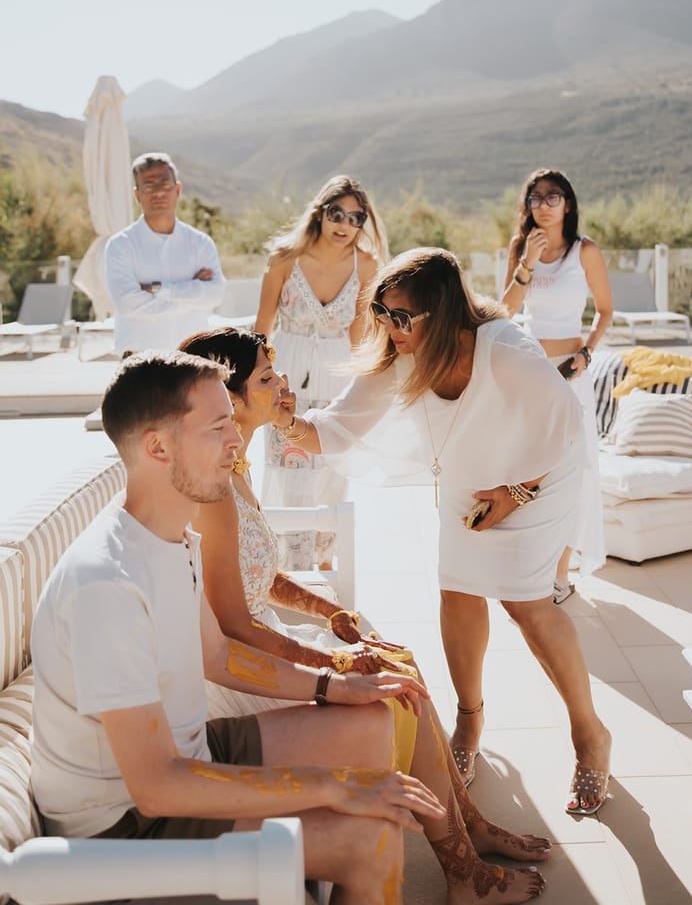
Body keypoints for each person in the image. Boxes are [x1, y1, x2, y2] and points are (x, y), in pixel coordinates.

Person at [30, 350, 445, 904]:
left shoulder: (175, 536)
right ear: (157, 446)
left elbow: (219, 655)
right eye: (218, 426)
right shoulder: (107, 584)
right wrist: (333, 786)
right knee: (367, 837)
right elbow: (155, 788)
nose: (236, 440)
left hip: (190, 755)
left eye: (233, 420)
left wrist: (335, 684)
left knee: (371, 720)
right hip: (123, 824)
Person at [179, 326, 552, 902]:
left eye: (276, 372)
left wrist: (331, 613)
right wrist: (330, 663)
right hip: (236, 668)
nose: (283, 383)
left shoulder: (238, 469)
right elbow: (232, 622)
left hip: (260, 639)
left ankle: (468, 827)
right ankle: (463, 868)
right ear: (227, 399)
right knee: (396, 685)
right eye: (266, 378)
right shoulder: (213, 489)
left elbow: (257, 573)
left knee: (398, 660)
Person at [268, 248, 612, 816]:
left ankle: (588, 734)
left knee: (527, 606)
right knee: (457, 593)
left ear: (444, 310)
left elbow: (566, 428)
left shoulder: (508, 351)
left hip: (539, 477)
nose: (389, 327)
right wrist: (280, 418)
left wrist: (516, 493)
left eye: (402, 316)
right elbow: (336, 427)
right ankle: (469, 721)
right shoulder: (402, 353)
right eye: (382, 312)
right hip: (467, 482)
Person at [255, 175, 388, 570]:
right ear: (320, 212)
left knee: (332, 472)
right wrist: (255, 384)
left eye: (356, 217)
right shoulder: (283, 259)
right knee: (288, 471)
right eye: (337, 214)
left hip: (337, 377)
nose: (345, 225)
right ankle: (284, 566)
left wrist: (367, 391)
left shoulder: (366, 265)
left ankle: (325, 561)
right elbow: (261, 330)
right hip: (287, 374)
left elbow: (361, 334)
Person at [502, 169, 613, 599]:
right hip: (529, 370)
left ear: (568, 203)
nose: (544, 205)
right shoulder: (521, 248)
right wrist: (527, 262)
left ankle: (561, 574)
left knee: (571, 468)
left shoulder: (585, 251)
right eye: (535, 198)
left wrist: (588, 352)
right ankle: (532, 564)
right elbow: (506, 311)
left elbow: (606, 310)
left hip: (570, 373)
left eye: (553, 197)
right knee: (529, 468)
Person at [105, 152, 225, 354]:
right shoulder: (120, 245)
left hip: (194, 359)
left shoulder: (200, 243)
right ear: (137, 195)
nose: (158, 192)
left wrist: (158, 290)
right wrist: (190, 295)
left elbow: (214, 295)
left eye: (165, 184)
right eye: (149, 185)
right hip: (139, 361)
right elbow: (127, 304)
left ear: (177, 189)